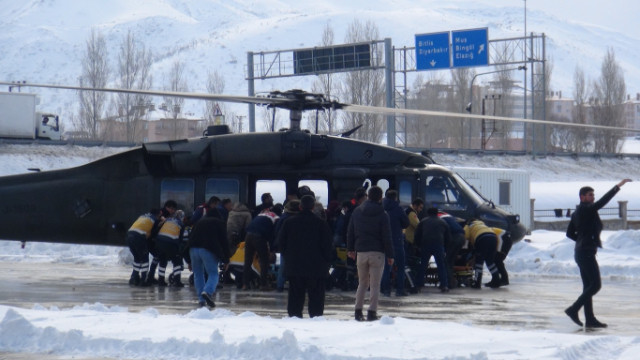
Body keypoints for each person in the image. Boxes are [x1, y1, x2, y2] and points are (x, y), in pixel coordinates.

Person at [564, 179, 631, 328]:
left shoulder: (577, 212)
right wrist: (618, 187)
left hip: (581, 251)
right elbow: (602, 202)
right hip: (585, 252)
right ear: (582, 197)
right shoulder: (587, 209)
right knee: (595, 285)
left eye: (593, 194)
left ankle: (590, 319)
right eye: (589, 195)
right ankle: (573, 309)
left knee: (588, 286)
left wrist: (582, 240)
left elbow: (569, 233)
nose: (592, 197)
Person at [277, 195, 333, 318]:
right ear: (313, 207)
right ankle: (315, 319)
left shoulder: (289, 222)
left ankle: (295, 319)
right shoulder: (321, 224)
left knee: (295, 297)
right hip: (317, 267)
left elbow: (281, 244)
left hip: (295, 266)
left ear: (300, 207)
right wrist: (327, 263)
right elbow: (328, 247)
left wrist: (289, 257)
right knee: (316, 297)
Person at [347, 185, 393, 321]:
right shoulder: (383, 214)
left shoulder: (357, 211)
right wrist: (390, 255)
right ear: (380, 197)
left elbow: (350, 232)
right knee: (374, 284)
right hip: (377, 252)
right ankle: (372, 312)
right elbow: (387, 236)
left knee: (362, 283)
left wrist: (350, 249)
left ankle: (358, 310)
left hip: (361, 252)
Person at [187, 209, 230, 308]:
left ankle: (201, 300)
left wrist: (188, 260)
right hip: (208, 250)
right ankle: (207, 292)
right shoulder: (219, 223)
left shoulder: (199, 222)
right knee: (213, 273)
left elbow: (190, 238)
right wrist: (226, 259)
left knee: (198, 274)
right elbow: (224, 241)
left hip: (193, 249)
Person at [381, 189, 410, 296]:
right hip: (397, 240)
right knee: (401, 266)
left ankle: (385, 290)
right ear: (395, 197)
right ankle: (399, 290)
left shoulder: (381, 208)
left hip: (384, 241)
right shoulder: (398, 209)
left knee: (386, 267)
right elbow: (406, 223)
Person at [414, 207, 451, 292]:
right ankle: (444, 285)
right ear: (437, 213)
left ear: (428, 213)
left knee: (423, 265)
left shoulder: (423, 221)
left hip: (425, 244)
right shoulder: (443, 222)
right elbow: (448, 237)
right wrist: (446, 248)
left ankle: (418, 285)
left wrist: (417, 245)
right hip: (439, 245)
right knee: (441, 265)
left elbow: (417, 234)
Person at [243, 208, 278, 290]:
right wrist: (272, 249)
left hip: (248, 235)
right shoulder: (276, 218)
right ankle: (263, 284)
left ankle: (245, 284)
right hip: (259, 237)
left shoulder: (261, 214)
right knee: (264, 261)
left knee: (247, 261)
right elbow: (273, 235)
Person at [126, 209, 162, 286]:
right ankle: (144, 280)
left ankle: (134, 278)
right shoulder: (155, 219)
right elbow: (153, 233)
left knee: (137, 258)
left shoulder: (142, 216)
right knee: (145, 258)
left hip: (129, 235)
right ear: (159, 214)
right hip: (139, 237)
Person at [463, 219, 501, 289]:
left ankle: (477, 283)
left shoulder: (468, 225)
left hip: (482, 238)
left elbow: (465, 235)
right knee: (490, 262)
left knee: (479, 262)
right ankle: (496, 281)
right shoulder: (482, 224)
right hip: (493, 237)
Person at [274, 199, 300, 292]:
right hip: (295, 245)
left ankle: (280, 285)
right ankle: (294, 285)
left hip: (284, 245)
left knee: (283, 266)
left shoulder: (284, 217)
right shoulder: (298, 218)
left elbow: (278, 231)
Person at [155, 210, 187, 287]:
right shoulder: (181, 224)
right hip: (170, 243)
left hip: (159, 241)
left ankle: (161, 281)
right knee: (177, 261)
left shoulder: (167, 220)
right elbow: (180, 239)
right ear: (182, 217)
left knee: (162, 261)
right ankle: (177, 281)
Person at [439, 211, 466, 288]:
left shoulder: (439, 218)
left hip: (454, 238)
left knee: (447, 262)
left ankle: (449, 283)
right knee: (450, 261)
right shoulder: (450, 217)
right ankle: (451, 281)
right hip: (462, 237)